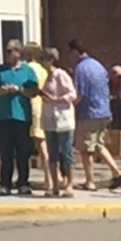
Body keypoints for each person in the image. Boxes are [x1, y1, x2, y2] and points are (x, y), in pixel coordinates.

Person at [70, 41, 121, 190]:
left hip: (90, 112)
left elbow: (80, 93)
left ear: (75, 52)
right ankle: (117, 172)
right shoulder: (98, 65)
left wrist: (70, 105)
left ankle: (90, 181)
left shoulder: (81, 68)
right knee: (98, 145)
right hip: (104, 110)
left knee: (86, 148)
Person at [0, 41, 39, 195]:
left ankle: (23, 183)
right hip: (3, 117)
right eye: (6, 51)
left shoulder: (28, 71)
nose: (7, 54)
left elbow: (34, 92)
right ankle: (5, 184)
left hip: (22, 116)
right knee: (6, 153)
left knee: (23, 152)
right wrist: (1, 91)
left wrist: (20, 89)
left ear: (19, 53)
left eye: (10, 51)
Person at [40, 46, 78, 197]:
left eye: (44, 59)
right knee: (52, 153)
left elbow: (72, 94)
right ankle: (55, 185)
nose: (42, 62)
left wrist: (57, 99)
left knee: (66, 152)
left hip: (63, 118)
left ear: (51, 60)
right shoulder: (47, 77)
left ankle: (69, 184)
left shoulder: (61, 75)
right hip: (49, 119)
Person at [23, 44, 52, 192]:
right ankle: (53, 177)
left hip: (33, 106)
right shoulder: (43, 69)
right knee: (46, 143)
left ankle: (49, 179)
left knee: (41, 145)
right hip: (44, 107)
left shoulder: (28, 68)